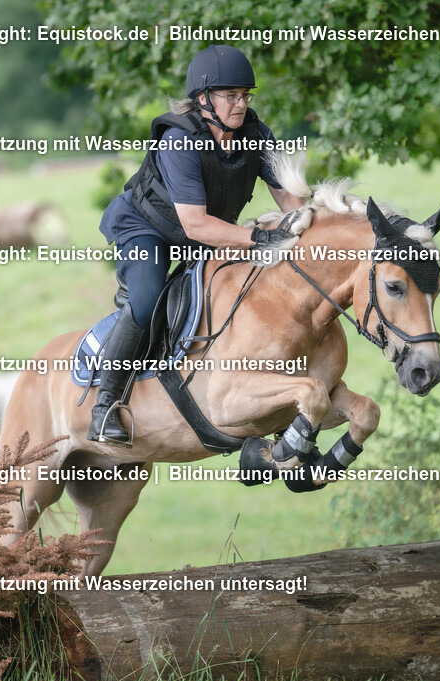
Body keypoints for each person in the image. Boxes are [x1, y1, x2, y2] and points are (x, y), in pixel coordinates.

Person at [90, 44, 306, 447]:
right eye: (231, 96)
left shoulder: (256, 134)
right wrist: (258, 237)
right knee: (147, 297)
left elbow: (293, 204)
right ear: (203, 99)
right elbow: (195, 223)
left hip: (206, 233)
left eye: (245, 96)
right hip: (147, 229)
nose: (240, 104)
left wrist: (314, 225)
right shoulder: (180, 139)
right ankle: (105, 405)